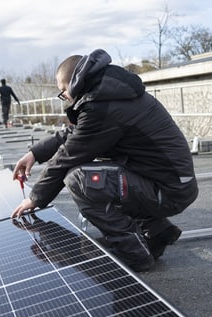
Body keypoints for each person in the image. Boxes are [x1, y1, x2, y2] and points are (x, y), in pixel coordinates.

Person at [10, 49, 198, 273]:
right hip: (170, 182)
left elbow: (68, 156)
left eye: (63, 91)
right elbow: (74, 134)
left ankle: (134, 253)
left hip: (169, 190)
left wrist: (35, 197)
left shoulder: (103, 105)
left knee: (80, 179)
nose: (65, 97)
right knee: (106, 177)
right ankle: (158, 233)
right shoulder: (106, 94)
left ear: (74, 82)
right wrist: (35, 153)